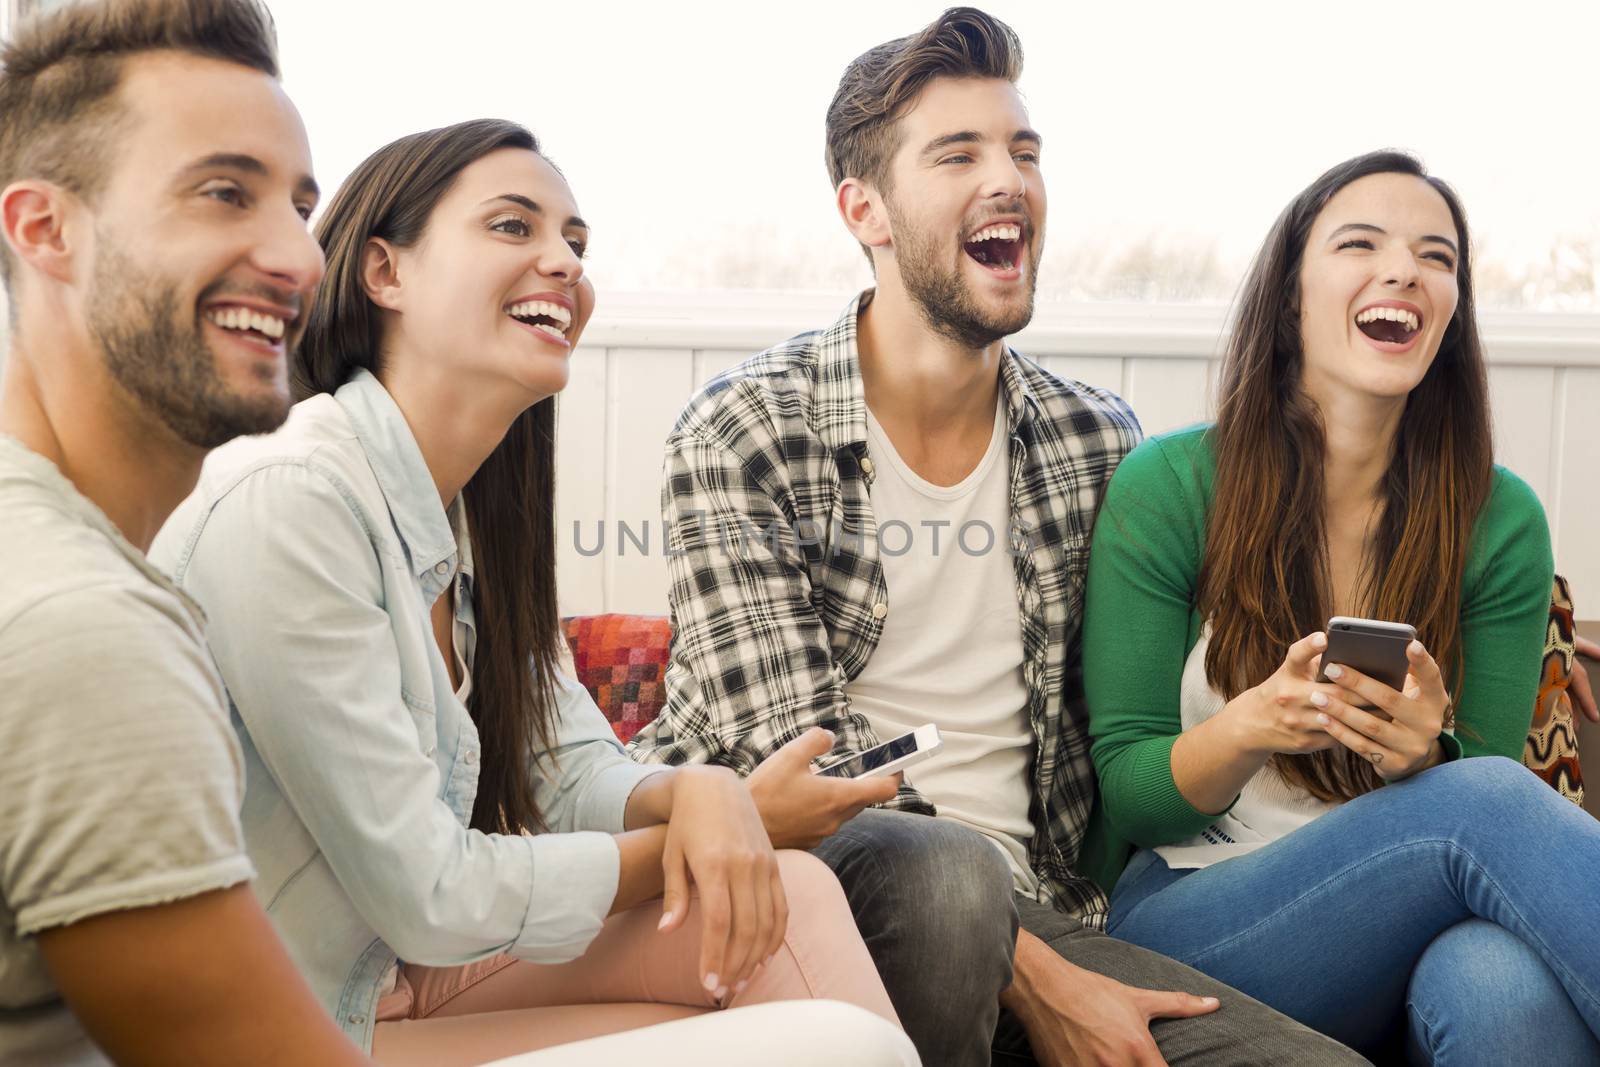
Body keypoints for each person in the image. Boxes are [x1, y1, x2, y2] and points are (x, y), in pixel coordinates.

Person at [627, 8, 1364, 1066]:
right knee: (942, 878)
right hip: (829, 892)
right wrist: (1047, 983)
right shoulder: (745, 431)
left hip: (1056, 906)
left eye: (1023, 150)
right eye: (958, 153)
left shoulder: (1095, 438)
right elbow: (808, 770)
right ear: (864, 209)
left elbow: (1160, 706)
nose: (1009, 178)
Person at [150, 118, 914, 1067]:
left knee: (792, 905)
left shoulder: (465, 521)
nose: (561, 261)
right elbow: (429, 890)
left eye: (577, 243)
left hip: (377, 982)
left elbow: (566, 770)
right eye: (513, 227)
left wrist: (702, 789)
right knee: (832, 1044)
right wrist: (723, 827)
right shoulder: (291, 501)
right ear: (384, 272)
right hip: (251, 1031)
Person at [1085, 149, 1600, 1063]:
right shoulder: (1171, 485)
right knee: (1476, 801)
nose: (1403, 268)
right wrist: (1249, 726)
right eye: (1361, 243)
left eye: (1436, 256)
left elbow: (1472, 785)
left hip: (1403, 921)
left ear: (1449, 310)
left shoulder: (1500, 519)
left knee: (1501, 983)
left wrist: (1423, 755)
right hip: (1196, 911)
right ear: (1291, 294)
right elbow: (1132, 793)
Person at [0, 1, 375, 1063]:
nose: (298, 256)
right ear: (44, 229)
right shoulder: (84, 629)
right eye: (224, 193)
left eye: (300, 204)